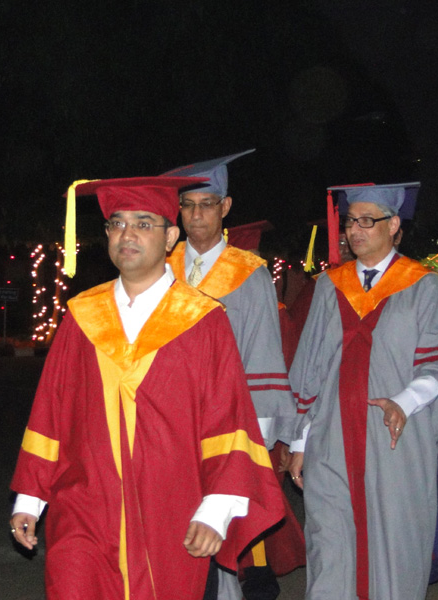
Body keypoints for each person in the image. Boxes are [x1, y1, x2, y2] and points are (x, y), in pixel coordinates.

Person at [9, 176, 285, 600]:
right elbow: (51, 410)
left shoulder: (203, 321)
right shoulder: (83, 316)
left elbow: (227, 420)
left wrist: (216, 509)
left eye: (143, 223)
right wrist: (30, 498)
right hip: (84, 507)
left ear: (170, 237)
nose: (127, 234)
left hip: (171, 510)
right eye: (117, 224)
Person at [286, 182, 438, 600]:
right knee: (330, 544)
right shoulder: (330, 286)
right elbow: (311, 368)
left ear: (393, 225)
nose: (354, 231)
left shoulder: (422, 286)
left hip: (394, 439)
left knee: (394, 542)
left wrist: (405, 402)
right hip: (331, 439)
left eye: (366, 221)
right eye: (349, 221)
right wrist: (301, 441)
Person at [163, 151, 300, 600]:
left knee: (220, 522)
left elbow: (263, 353)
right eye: (187, 205)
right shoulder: (161, 267)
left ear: (225, 207)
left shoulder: (249, 274)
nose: (196, 215)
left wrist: (255, 435)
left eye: (207, 204)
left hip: (228, 419)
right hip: (168, 420)